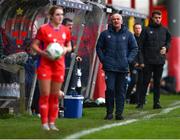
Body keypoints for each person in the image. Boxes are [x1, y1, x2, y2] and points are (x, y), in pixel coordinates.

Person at [31, 6, 72, 131]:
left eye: (62, 14)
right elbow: (34, 46)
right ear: (51, 16)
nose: (60, 17)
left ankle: (52, 122)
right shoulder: (43, 29)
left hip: (59, 66)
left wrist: (65, 49)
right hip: (45, 65)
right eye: (57, 14)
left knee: (55, 95)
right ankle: (44, 123)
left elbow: (69, 46)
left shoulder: (66, 30)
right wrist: (43, 53)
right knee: (45, 94)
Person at [96, 13, 138, 120]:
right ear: (111, 21)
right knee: (110, 90)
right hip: (109, 67)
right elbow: (99, 48)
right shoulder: (104, 34)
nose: (116, 21)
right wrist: (103, 60)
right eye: (114, 19)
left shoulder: (128, 34)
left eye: (118, 19)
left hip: (123, 68)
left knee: (121, 91)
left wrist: (127, 60)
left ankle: (119, 114)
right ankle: (109, 113)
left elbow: (134, 48)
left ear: (122, 21)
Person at [139, 10, 171, 109]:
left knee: (157, 82)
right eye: (156, 18)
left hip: (160, 61)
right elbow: (140, 46)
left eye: (159, 18)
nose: (157, 19)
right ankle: (141, 103)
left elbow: (169, 41)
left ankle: (156, 103)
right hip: (148, 61)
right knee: (145, 82)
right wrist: (141, 61)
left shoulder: (165, 30)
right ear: (152, 18)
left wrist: (166, 48)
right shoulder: (146, 29)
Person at [62, 18, 82, 94]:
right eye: (68, 25)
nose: (70, 27)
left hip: (69, 67)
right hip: (61, 66)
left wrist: (76, 56)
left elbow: (72, 51)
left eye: (71, 26)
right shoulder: (59, 37)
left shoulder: (69, 37)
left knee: (69, 87)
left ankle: (66, 103)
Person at [126, 23, 144, 107]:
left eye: (139, 28)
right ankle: (127, 96)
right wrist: (134, 62)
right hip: (133, 64)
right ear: (133, 29)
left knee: (141, 82)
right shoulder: (130, 38)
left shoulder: (144, 39)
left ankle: (138, 99)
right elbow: (128, 52)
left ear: (141, 29)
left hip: (142, 64)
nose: (138, 30)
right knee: (134, 80)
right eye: (136, 28)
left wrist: (143, 62)